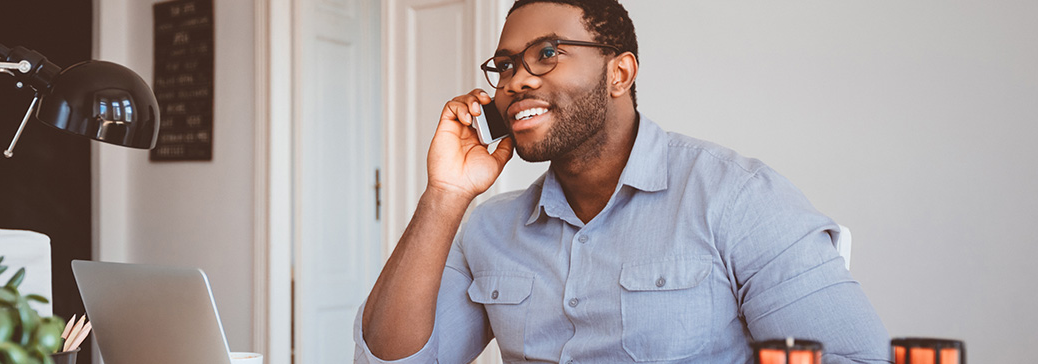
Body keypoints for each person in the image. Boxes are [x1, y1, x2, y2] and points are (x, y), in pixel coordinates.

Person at [354, 0, 890, 363]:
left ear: (620, 74)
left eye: (547, 53)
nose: (517, 79)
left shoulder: (737, 198)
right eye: (505, 65)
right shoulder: (488, 228)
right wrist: (444, 196)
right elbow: (387, 359)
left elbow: (855, 357)